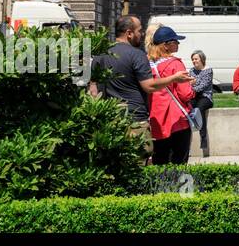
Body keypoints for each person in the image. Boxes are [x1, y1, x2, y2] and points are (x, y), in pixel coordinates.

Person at [90, 15, 192, 160]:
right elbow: (149, 86)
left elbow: (93, 90)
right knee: (139, 165)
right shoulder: (137, 55)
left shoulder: (101, 54)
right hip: (135, 120)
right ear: (129, 33)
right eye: (139, 31)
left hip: (109, 118)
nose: (142, 34)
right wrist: (174, 78)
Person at [145, 26, 197, 165]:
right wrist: (193, 88)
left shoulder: (146, 64)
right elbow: (185, 94)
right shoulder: (175, 64)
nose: (178, 44)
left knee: (160, 160)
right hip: (177, 120)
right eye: (175, 41)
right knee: (179, 161)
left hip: (156, 120)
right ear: (166, 45)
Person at [189, 50, 214, 158]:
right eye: (193, 59)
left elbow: (203, 86)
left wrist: (193, 84)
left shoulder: (208, 71)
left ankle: (203, 138)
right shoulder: (191, 71)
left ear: (202, 59)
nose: (194, 61)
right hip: (195, 96)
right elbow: (189, 84)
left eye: (196, 59)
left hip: (206, 97)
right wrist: (192, 84)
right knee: (187, 107)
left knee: (199, 109)